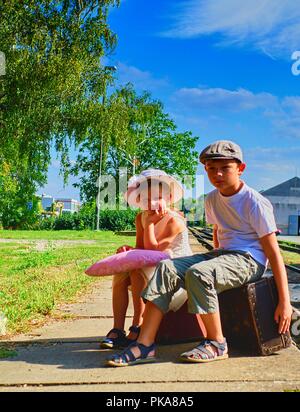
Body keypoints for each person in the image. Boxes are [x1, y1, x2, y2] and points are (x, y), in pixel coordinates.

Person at [106, 140, 293, 366]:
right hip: (223, 255)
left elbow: (273, 253)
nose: (218, 174)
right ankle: (145, 345)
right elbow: (218, 233)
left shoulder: (254, 202)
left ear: (240, 169)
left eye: (225, 168)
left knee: (199, 273)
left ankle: (217, 343)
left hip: (249, 259)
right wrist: (215, 257)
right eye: (211, 169)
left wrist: (285, 301)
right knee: (166, 267)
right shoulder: (212, 199)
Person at [100, 169, 192, 349]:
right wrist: (128, 250)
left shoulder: (174, 221)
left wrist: (150, 224)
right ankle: (117, 329)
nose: (151, 203)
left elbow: (154, 251)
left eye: (157, 197)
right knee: (121, 273)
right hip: (152, 267)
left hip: (174, 274)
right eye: (145, 198)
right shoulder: (141, 217)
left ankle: (138, 324)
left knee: (136, 271)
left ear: (170, 197)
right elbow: (141, 250)